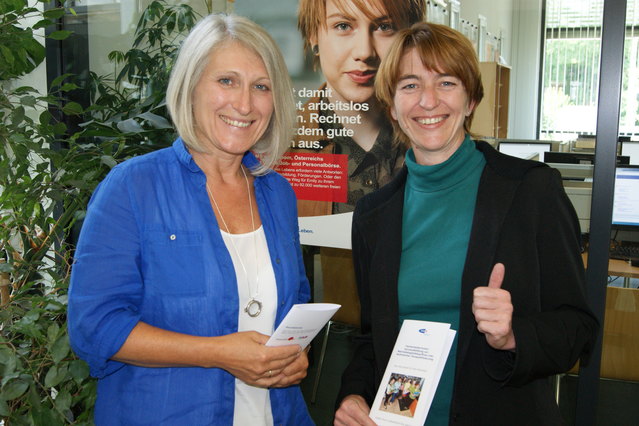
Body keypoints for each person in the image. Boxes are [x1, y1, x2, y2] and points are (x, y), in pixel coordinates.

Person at [334, 22, 598, 425]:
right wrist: (354, 393)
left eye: (446, 82)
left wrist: (512, 336)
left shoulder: (530, 190)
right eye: (409, 85)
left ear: (471, 99)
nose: (427, 101)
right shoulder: (374, 214)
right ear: (391, 106)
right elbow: (373, 336)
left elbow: (578, 327)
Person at [68, 14, 313, 425]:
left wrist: (295, 354)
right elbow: (95, 326)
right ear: (191, 86)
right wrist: (216, 351)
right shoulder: (132, 187)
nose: (245, 104)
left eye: (261, 87)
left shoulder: (277, 193)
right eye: (227, 81)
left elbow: (294, 302)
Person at [293, 0, 426, 216]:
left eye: (385, 27)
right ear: (313, 36)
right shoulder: (277, 146)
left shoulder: (434, 139)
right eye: (343, 26)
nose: (364, 52)